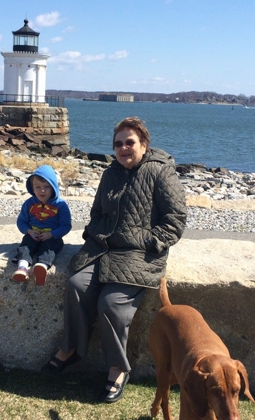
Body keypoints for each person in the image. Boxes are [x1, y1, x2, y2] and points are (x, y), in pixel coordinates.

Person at [40, 117, 187, 403]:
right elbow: (97, 212)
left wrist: (149, 242)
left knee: (111, 304)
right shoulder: (110, 174)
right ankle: (71, 349)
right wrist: (95, 232)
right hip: (103, 248)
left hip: (139, 254)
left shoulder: (161, 172)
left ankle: (118, 368)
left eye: (129, 142)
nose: (123, 148)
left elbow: (175, 220)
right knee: (76, 285)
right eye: (118, 144)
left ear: (143, 144)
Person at [12, 165, 72, 285]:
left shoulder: (61, 205)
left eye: (46, 187)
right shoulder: (29, 204)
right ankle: (23, 268)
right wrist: (28, 231)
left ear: (53, 188)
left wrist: (52, 234)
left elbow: (66, 225)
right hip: (32, 234)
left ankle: (42, 266)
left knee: (49, 249)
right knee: (25, 247)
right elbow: (21, 221)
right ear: (32, 189)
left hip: (52, 237)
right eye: (37, 187)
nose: (42, 190)